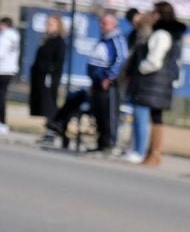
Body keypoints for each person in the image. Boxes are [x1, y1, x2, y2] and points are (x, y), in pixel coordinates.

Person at [42, 12, 127, 151]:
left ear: (114, 24)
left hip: (107, 84)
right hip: (96, 83)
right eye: (101, 23)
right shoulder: (104, 39)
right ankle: (57, 126)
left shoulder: (116, 39)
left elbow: (121, 59)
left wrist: (109, 77)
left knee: (107, 114)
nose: (101, 26)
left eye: (105, 23)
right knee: (86, 105)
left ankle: (108, 144)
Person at [132, 1, 187, 166]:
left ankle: (153, 153)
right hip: (160, 82)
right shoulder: (170, 34)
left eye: (153, 12)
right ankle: (153, 153)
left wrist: (140, 68)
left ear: (160, 15)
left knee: (152, 117)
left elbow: (155, 61)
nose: (151, 15)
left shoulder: (161, 34)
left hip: (154, 81)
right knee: (156, 117)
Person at [121, 8, 152, 164]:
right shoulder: (134, 34)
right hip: (133, 78)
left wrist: (139, 70)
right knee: (133, 115)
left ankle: (140, 150)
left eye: (136, 19)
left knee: (141, 115)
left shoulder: (148, 34)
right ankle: (132, 147)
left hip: (143, 80)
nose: (135, 23)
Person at [28, 15, 66, 120]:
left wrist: (49, 71)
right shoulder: (46, 39)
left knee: (48, 100)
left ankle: (52, 122)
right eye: (47, 23)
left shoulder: (59, 41)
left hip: (49, 76)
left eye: (51, 24)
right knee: (40, 101)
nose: (48, 26)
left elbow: (59, 60)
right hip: (39, 74)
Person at [0, 16, 19, 134]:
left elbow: (1, 52)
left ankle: (2, 122)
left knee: (1, 97)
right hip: (10, 69)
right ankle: (2, 122)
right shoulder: (15, 35)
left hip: (3, 70)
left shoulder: (5, 35)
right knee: (2, 96)